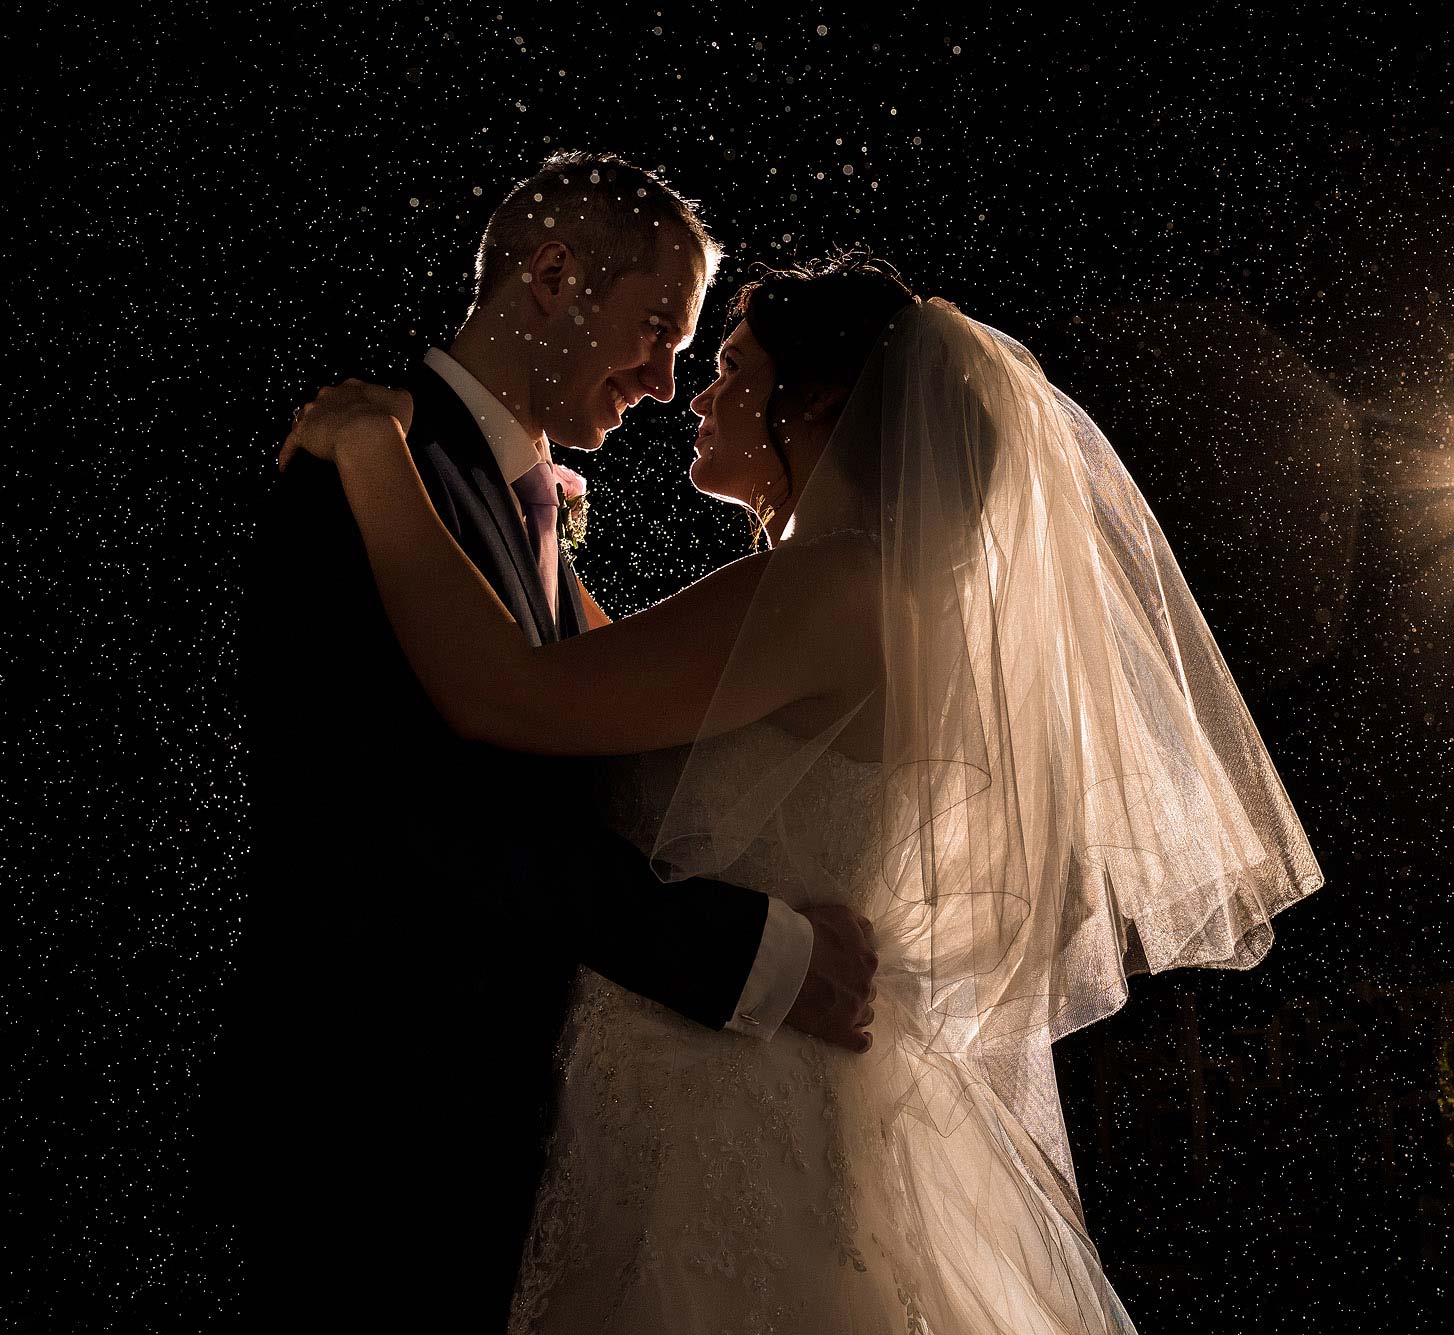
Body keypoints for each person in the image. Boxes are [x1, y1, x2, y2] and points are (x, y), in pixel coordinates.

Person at [280, 250, 1325, 1332]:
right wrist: (548, 535)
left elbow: (503, 692)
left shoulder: (822, 589)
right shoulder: (882, 593)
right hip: (768, 1086)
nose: (700, 394)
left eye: (733, 369)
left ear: (816, 401)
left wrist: (369, 452)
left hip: (717, 1105)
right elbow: (628, 689)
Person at [217, 152, 877, 1334]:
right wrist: (746, 955)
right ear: (554, 275)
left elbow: (539, 720)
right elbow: (425, 816)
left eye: (700, 355)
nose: (670, 383)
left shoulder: (471, 495)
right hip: (381, 1124)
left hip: (518, 1132)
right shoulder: (363, 472)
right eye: (655, 331)